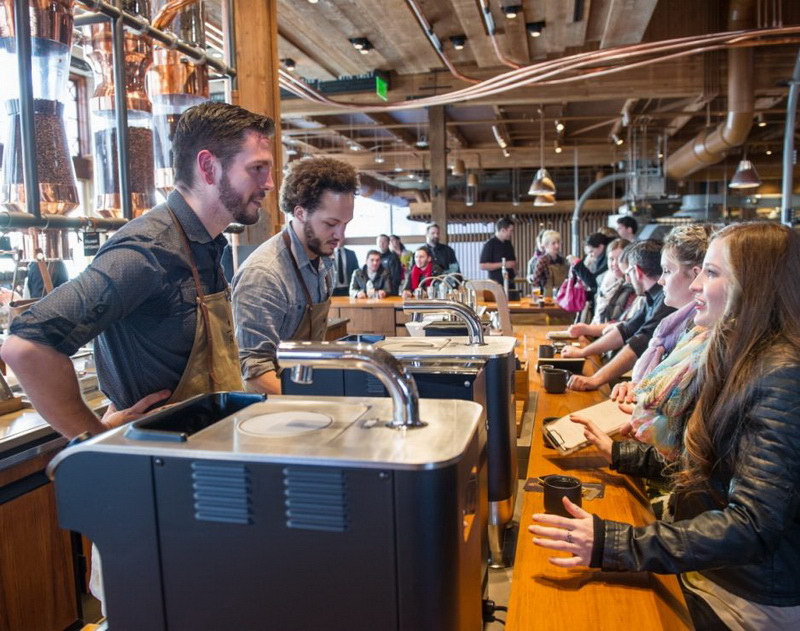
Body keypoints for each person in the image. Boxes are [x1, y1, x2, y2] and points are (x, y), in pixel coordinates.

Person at [531, 222, 800, 630]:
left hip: (743, 594)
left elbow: (753, 526)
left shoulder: (780, 375)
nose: (695, 284)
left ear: (755, 285)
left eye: (711, 272)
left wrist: (616, 542)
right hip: (712, 571)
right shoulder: (737, 352)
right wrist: (620, 453)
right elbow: (708, 468)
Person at [1, 101, 275, 439]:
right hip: (163, 460)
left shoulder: (205, 243)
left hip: (206, 448)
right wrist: (97, 439)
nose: (269, 183)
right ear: (208, 167)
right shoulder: (148, 251)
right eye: (257, 168)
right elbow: (26, 347)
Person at [232, 157, 358, 395]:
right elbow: (255, 373)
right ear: (300, 213)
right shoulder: (264, 275)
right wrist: (314, 406)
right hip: (273, 407)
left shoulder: (324, 261)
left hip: (305, 391)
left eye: (345, 224)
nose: (340, 236)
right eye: (331, 224)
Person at [564, 240, 675, 391]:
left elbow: (639, 344)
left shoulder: (665, 299)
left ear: (637, 271)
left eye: (628, 273)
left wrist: (595, 380)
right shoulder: (652, 296)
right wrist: (583, 352)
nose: (627, 279)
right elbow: (625, 330)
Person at [527, 229, 567, 294]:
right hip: (547, 297)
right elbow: (536, 282)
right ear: (546, 245)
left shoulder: (562, 260)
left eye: (558, 242)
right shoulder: (542, 261)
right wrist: (536, 297)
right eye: (553, 243)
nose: (557, 246)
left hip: (562, 296)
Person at [480, 217, 516, 286]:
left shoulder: (508, 243)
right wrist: (503, 264)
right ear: (503, 230)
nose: (511, 233)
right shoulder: (490, 244)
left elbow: (512, 262)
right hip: (496, 284)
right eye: (510, 231)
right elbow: (482, 266)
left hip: (510, 282)